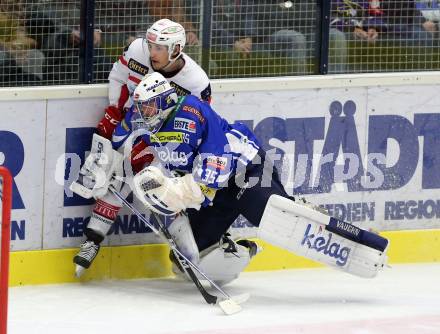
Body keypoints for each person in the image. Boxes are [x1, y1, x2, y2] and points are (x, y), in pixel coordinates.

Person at [71, 72, 389, 285]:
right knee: (185, 261)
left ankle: (362, 237)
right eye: (141, 106)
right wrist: (118, 170)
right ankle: (239, 247)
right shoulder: (153, 120)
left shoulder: (191, 115)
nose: (144, 111)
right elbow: (130, 143)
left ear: (165, 99)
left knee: (278, 219)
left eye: (149, 104)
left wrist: (173, 194)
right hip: (219, 192)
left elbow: (211, 174)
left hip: (245, 173)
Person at [71, 18, 215, 277]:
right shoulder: (138, 50)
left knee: (165, 195)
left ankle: (190, 257)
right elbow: (117, 75)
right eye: (151, 46)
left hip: (168, 140)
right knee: (112, 175)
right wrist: (116, 110)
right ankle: (92, 240)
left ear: (176, 49)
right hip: (131, 124)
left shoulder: (196, 81)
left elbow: (203, 121)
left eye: (159, 48)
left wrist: (174, 150)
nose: (152, 52)